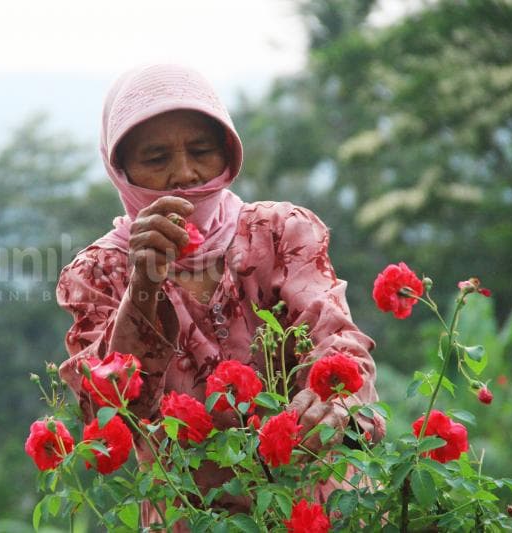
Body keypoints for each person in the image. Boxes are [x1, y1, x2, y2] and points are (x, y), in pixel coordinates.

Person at [55, 63, 385, 529]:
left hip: (312, 509)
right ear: (120, 169)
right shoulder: (97, 273)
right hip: (192, 518)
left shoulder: (279, 232)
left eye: (201, 151)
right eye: (155, 159)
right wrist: (142, 288)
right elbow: (111, 413)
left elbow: (335, 339)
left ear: (228, 155)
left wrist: (332, 402)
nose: (183, 175)